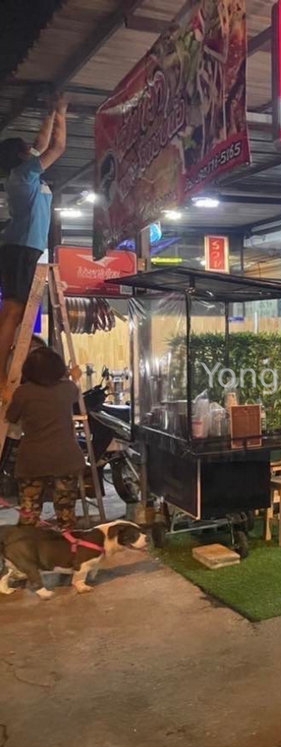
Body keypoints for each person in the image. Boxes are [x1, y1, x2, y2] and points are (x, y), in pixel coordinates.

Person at [0, 93, 68, 400]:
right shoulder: (26, 173)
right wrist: (62, 114)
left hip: (23, 247)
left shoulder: (22, 173)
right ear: (22, 154)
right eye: (28, 148)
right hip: (23, 248)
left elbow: (43, 142)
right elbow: (57, 147)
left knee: (16, 311)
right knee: (14, 311)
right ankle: (2, 373)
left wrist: (51, 109)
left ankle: (6, 366)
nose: (33, 147)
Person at [5, 346, 84, 530]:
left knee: (29, 513)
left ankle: (26, 552)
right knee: (66, 514)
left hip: (33, 460)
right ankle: (66, 551)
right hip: (66, 458)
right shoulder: (68, 388)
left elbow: (11, 417)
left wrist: (9, 398)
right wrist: (72, 376)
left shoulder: (23, 393)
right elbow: (74, 393)